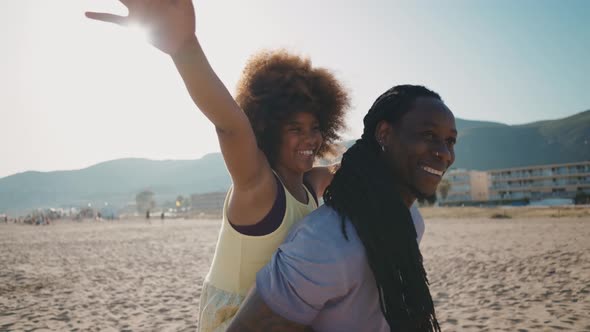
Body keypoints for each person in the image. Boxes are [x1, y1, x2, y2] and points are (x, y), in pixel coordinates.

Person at [85, 1, 379, 330]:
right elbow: (230, 125)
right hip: (236, 320)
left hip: (281, 315)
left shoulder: (311, 183)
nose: (310, 139)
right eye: (295, 129)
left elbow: (347, 169)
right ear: (268, 128)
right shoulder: (260, 187)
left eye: (314, 128)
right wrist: (184, 48)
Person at [227, 85, 457, 332]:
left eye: (450, 141)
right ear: (384, 134)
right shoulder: (327, 241)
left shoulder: (411, 219)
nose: (444, 153)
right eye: (429, 135)